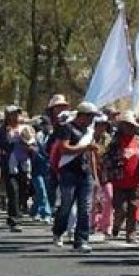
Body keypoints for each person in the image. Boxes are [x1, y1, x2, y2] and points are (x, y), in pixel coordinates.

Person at [52, 102, 101, 253]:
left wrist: (95, 176)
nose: (92, 120)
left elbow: (90, 154)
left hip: (85, 173)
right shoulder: (67, 128)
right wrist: (85, 148)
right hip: (69, 172)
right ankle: (58, 230)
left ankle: (81, 240)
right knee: (66, 205)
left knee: (85, 208)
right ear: (82, 115)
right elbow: (65, 149)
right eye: (90, 116)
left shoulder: (89, 131)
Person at [105, 111, 139, 244]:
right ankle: (116, 225)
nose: (129, 128)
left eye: (131, 125)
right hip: (119, 181)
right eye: (126, 125)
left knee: (134, 208)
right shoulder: (115, 142)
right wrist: (119, 158)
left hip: (135, 181)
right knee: (121, 209)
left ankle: (131, 234)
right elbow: (107, 159)